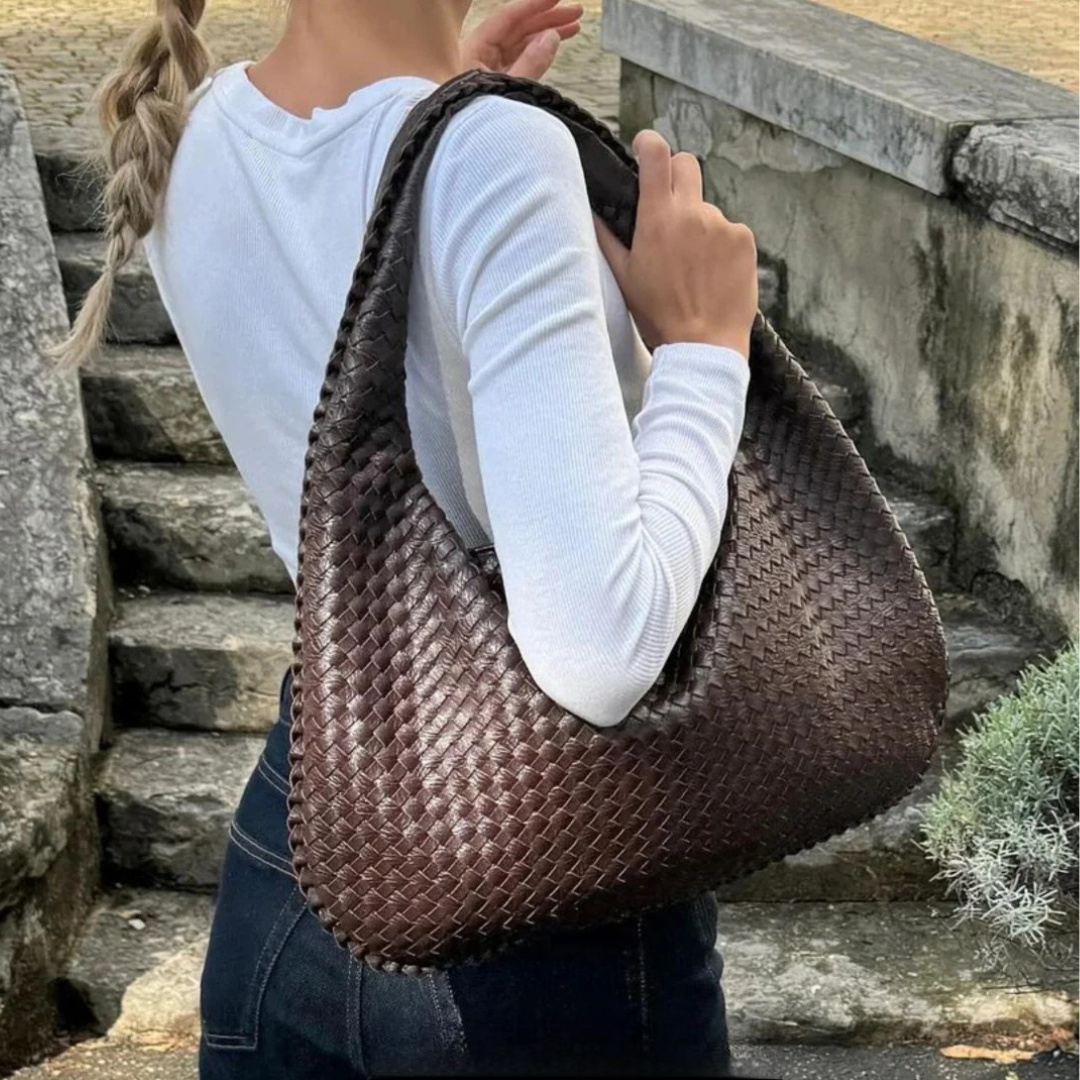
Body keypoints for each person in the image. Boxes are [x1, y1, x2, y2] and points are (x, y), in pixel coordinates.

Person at [54, 1, 759, 1075]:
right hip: (538, 900)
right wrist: (707, 350)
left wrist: (444, 114)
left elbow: (339, 278)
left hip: (297, 863)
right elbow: (601, 649)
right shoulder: (493, 154)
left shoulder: (192, 137)